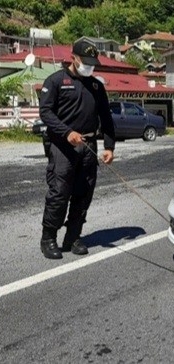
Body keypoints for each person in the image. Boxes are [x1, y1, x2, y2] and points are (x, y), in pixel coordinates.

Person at [38, 39, 116, 259]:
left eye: (93, 63)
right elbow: (46, 113)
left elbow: (106, 119)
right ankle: (48, 238)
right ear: (74, 57)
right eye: (85, 62)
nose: (89, 66)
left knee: (83, 194)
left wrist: (109, 146)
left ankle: (73, 236)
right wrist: (66, 132)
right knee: (59, 194)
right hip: (63, 147)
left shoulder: (96, 86)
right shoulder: (55, 81)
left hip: (88, 146)